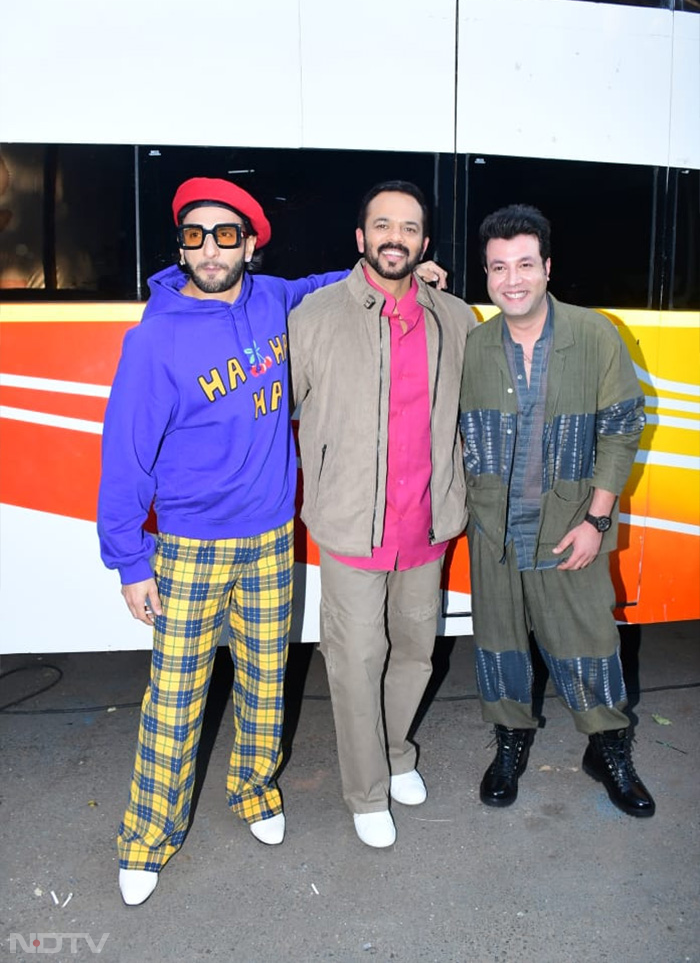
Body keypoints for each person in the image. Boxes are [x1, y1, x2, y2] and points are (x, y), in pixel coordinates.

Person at [98, 176, 446, 905]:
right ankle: (145, 838)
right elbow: (124, 456)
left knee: (265, 682)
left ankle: (255, 792)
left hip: (269, 540)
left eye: (227, 235)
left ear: (250, 244)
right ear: (181, 245)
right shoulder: (154, 337)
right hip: (189, 546)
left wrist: (416, 270)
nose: (211, 249)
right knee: (175, 697)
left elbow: (344, 280)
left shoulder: (275, 301)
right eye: (195, 235)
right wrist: (131, 560)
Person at [289, 180, 476, 848]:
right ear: (361, 238)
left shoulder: (455, 318)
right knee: (355, 659)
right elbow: (282, 413)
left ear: (424, 243)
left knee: (416, 655)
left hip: (426, 525)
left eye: (408, 227)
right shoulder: (313, 316)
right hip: (350, 528)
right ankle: (366, 791)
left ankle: (396, 753)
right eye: (381, 224)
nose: (395, 236)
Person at [459, 203, 655, 818]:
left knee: (589, 642)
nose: (511, 279)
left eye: (523, 264)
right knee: (499, 643)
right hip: (494, 530)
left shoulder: (594, 335)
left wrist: (597, 520)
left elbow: (622, 428)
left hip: (569, 525)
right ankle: (512, 740)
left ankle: (607, 747)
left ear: (547, 267)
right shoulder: (473, 346)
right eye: (497, 268)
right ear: (486, 276)